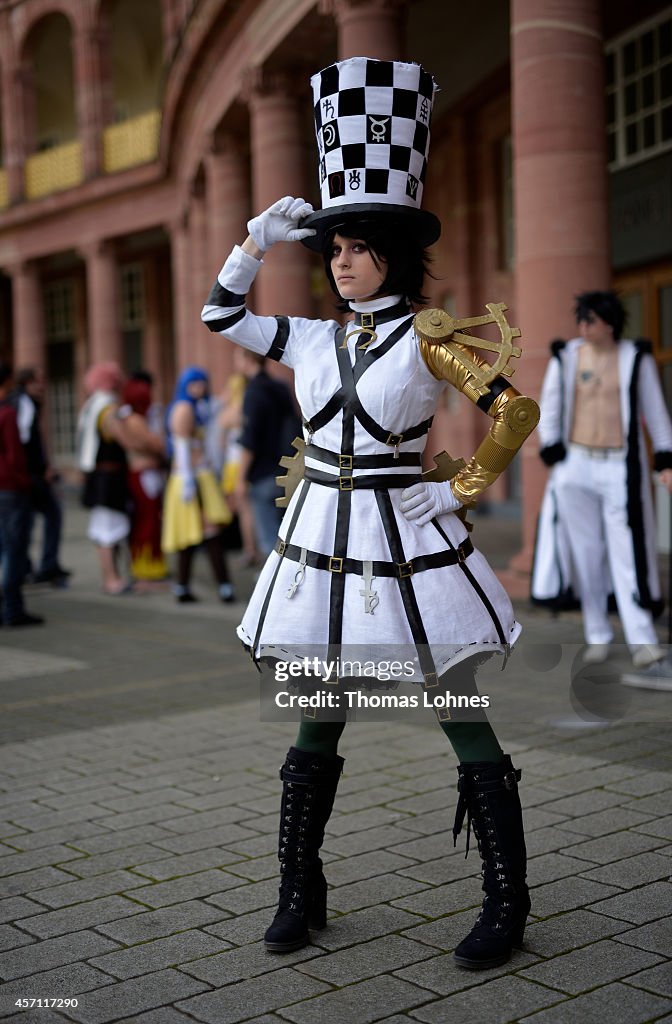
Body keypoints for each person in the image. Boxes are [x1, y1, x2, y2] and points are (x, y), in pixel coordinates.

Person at [202, 57, 540, 970]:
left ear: (390, 251)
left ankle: (508, 901)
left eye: (351, 247)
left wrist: (463, 486)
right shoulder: (310, 336)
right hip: (320, 539)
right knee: (316, 706)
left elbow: (515, 410)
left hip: (406, 540)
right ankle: (298, 888)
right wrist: (252, 244)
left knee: (456, 705)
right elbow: (217, 315)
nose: (338, 262)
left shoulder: (430, 339)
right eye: (331, 249)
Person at [538, 291, 672, 687]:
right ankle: (597, 631)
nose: (584, 327)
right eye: (581, 319)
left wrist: (665, 460)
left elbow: (656, 414)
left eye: (591, 320)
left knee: (627, 551)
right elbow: (550, 406)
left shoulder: (635, 358)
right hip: (575, 465)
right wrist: (553, 451)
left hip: (617, 466)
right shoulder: (567, 356)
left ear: (610, 323)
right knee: (586, 553)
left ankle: (642, 639)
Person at [161, 367, 235, 603]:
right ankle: (215, 586)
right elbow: (182, 447)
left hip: (199, 476)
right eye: (194, 384)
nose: (199, 388)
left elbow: (219, 405)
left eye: (202, 383)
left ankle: (187, 586)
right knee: (199, 533)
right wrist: (188, 481)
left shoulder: (197, 406)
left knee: (202, 532)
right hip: (190, 478)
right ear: (185, 385)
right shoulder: (184, 408)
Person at [235, 348, 300, 557]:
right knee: (289, 535)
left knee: (270, 542)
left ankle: (277, 587)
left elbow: (251, 439)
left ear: (247, 359)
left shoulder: (253, 392)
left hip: (263, 472)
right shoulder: (280, 387)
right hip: (289, 468)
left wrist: (240, 478)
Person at [77, 362, 134, 595]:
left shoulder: (92, 405)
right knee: (108, 531)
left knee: (105, 530)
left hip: (98, 476)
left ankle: (112, 577)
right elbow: (125, 440)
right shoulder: (107, 408)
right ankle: (112, 578)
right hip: (108, 479)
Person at [13, 366, 71, 585]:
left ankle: (28, 567)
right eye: (39, 381)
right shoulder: (24, 403)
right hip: (30, 476)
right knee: (49, 515)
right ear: (27, 382)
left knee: (25, 522)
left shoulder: (23, 402)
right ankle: (46, 566)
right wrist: (41, 468)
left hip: (27, 474)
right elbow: (24, 441)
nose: (43, 385)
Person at [0, 362, 44, 626]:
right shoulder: (6, 414)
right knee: (14, 550)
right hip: (10, 488)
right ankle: (13, 608)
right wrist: (25, 482)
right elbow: (15, 456)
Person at [119, 377, 168, 584]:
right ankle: (146, 570)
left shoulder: (129, 418)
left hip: (143, 473)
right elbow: (157, 444)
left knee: (147, 521)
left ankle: (147, 567)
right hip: (143, 474)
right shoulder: (135, 420)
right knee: (147, 522)